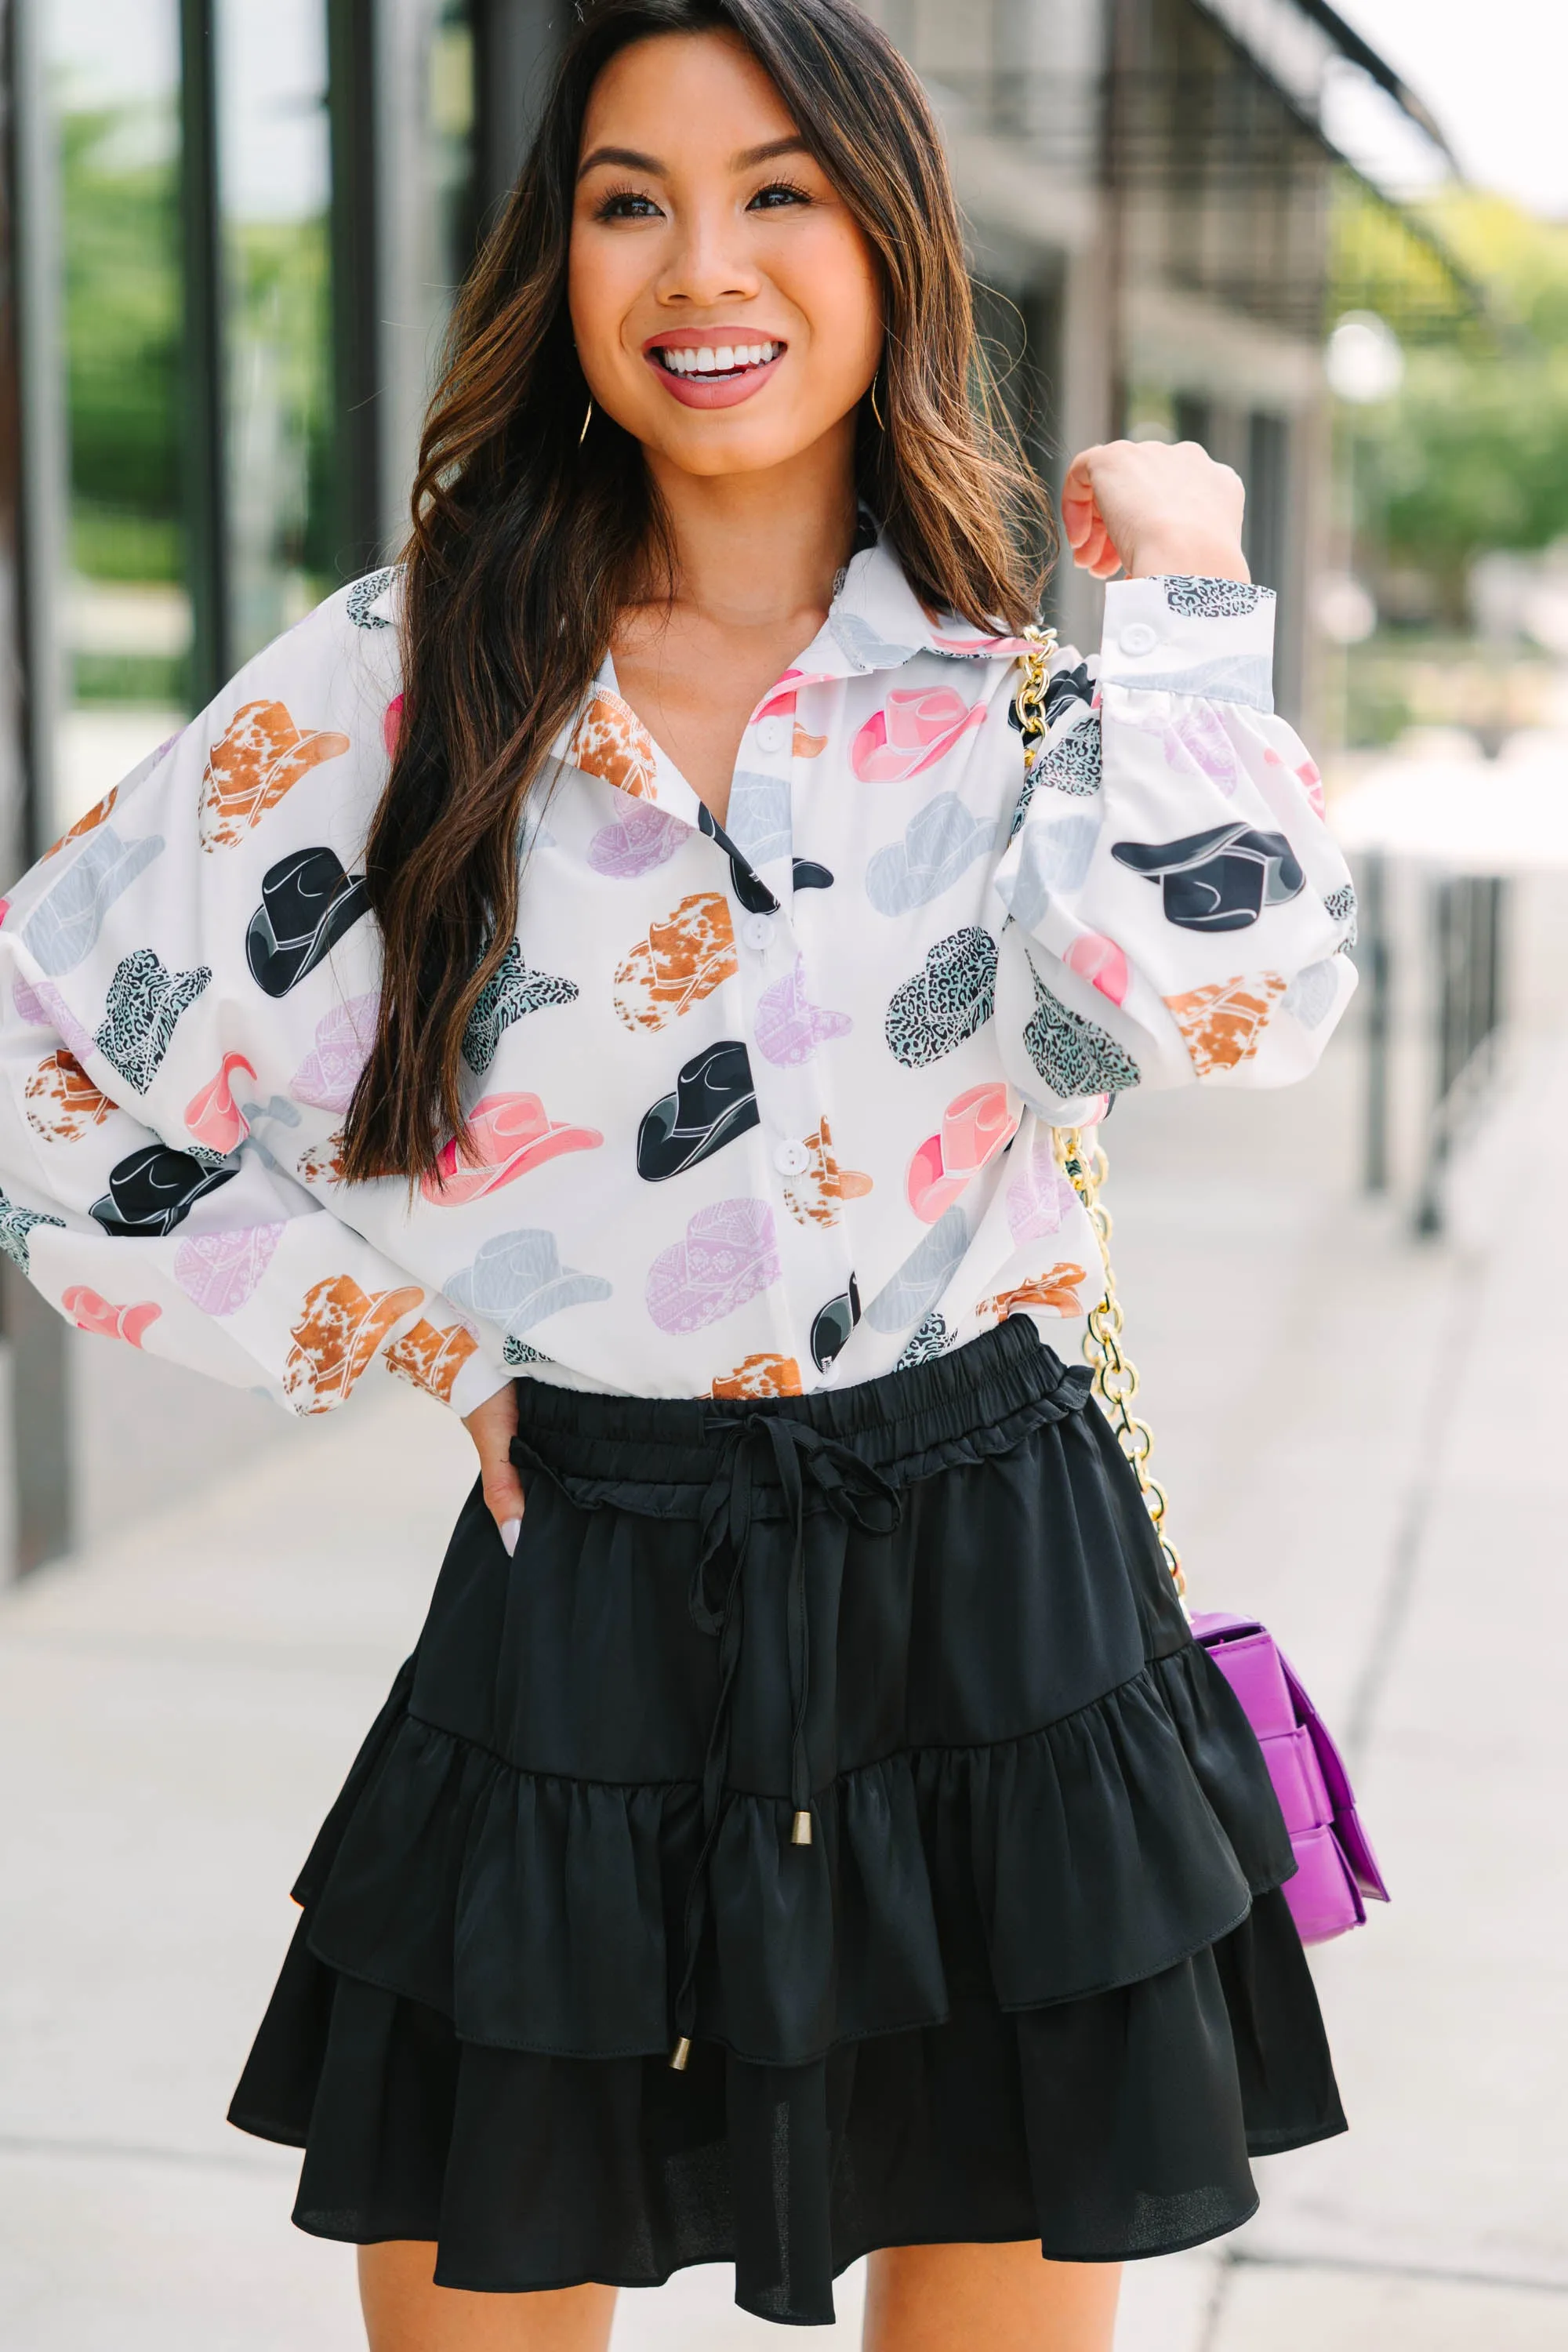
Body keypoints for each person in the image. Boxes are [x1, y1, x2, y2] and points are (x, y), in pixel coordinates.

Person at [0, 2, 1358, 2345]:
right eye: (631, 199)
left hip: (994, 1574)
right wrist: (390, 1330)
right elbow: (46, 1046)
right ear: (561, 261)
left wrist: (1200, 609)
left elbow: (1237, 1008)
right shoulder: (407, 679)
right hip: (593, 1565)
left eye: (776, 197)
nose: (699, 265)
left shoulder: (1017, 687)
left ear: (891, 243)